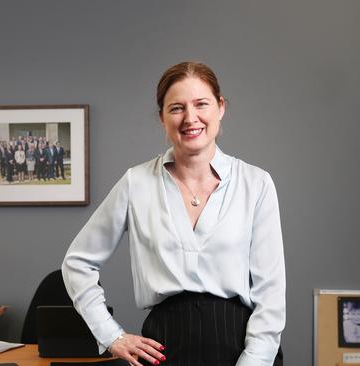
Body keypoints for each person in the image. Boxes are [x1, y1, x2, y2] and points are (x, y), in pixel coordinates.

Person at [61, 61, 285, 366]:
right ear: (162, 118)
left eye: (201, 104)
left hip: (243, 348)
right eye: (177, 108)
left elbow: (270, 293)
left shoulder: (255, 183)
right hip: (165, 349)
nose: (190, 118)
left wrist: (255, 361)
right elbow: (77, 263)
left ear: (220, 107)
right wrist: (110, 335)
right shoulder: (136, 183)